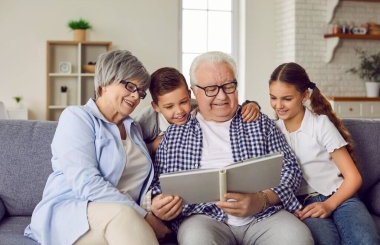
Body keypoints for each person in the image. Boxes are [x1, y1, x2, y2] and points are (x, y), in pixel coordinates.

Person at [150, 51, 314, 245]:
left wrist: (262, 200)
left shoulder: (258, 122)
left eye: (229, 86)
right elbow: (158, 184)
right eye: (211, 88)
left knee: (298, 239)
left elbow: (290, 169)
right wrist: (157, 205)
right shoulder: (175, 134)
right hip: (203, 219)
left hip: (264, 215)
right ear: (194, 92)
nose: (221, 96)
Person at [24, 50, 172, 245]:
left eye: (141, 91)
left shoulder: (134, 128)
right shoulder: (77, 118)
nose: (136, 96)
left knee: (124, 222)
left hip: (120, 221)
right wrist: (144, 217)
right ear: (105, 82)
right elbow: (87, 183)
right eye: (130, 86)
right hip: (76, 212)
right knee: (124, 216)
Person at [269, 62, 380, 245]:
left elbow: (353, 177)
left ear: (304, 95)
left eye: (287, 98)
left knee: (365, 240)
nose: (278, 105)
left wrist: (329, 204)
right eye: (273, 97)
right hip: (304, 205)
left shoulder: (320, 125)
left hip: (342, 198)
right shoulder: (272, 130)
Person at [133, 67, 261, 155]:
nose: (179, 111)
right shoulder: (147, 119)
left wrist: (251, 105)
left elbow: (227, 107)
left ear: (189, 95)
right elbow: (133, 151)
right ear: (156, 106)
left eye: (183, 102)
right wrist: (153, 147)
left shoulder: (197, 107)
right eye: (169, 107)